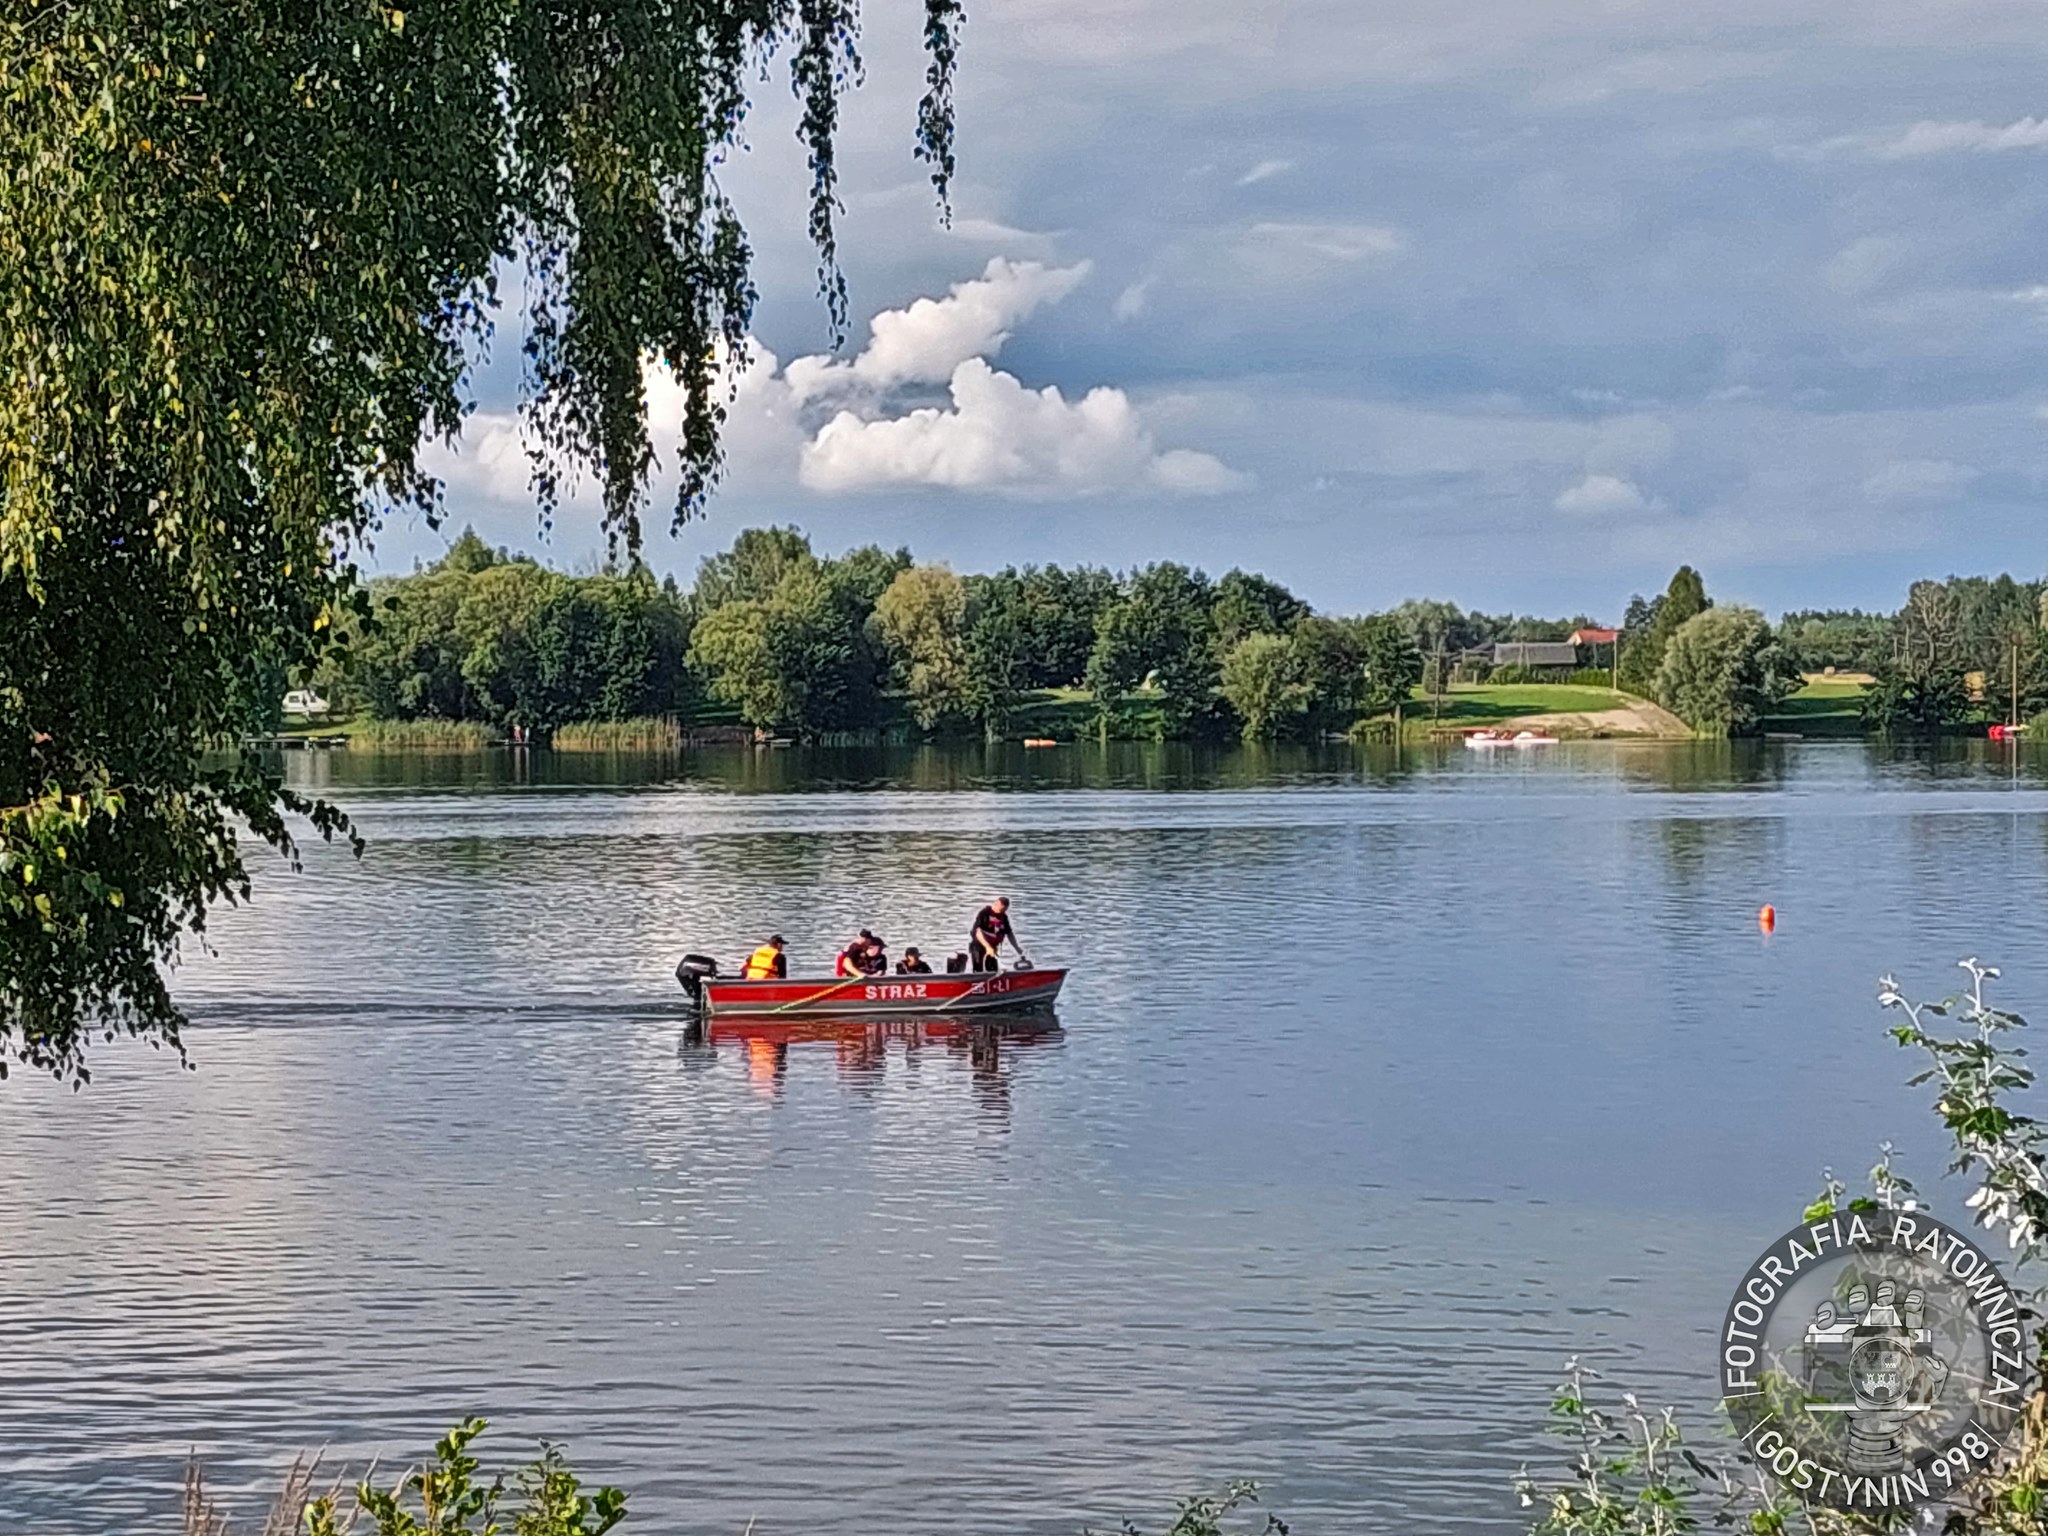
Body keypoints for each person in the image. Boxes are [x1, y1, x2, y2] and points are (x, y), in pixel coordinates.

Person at [968, 897, 1022, 972]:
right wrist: (987, 947)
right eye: (1001, 910)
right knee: (978, 968)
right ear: (995, 904)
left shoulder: (1003, 917)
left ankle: (994, 980)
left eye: (1004, 910)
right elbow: (977, 932)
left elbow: (1009, 933)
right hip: (979, 944)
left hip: (992, 947)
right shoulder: (984, 913)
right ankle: (976, 980)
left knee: (992, 969)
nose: (1002, 912)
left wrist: (1017, 948)